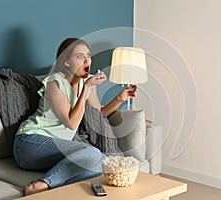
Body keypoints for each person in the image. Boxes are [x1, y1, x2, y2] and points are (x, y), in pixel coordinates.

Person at [13, 38, 137, 196]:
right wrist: (86, 87)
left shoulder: (87, 81)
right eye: (79, 56)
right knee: (91, 153)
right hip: (29, 143)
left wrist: (120, 99)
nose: (87, 60)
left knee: (104, 162)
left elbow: (99, 113)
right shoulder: (55, 83)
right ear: (66, 61)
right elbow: (71, 123)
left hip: (55, 149)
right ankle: (42, 185)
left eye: (88, 55)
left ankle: (56, 187)